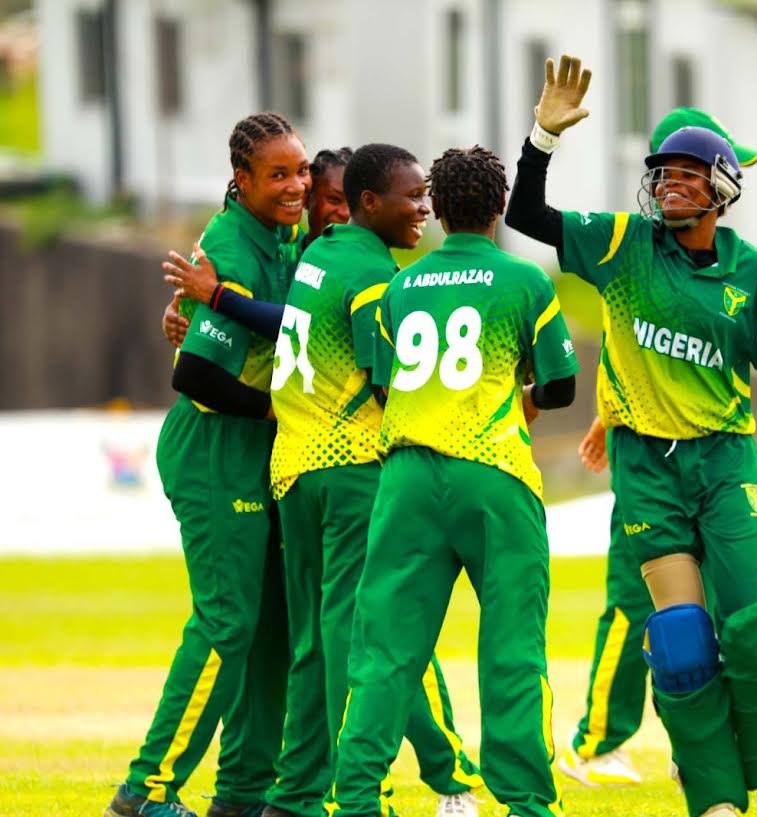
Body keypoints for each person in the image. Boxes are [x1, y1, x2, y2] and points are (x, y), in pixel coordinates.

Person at [505, 56, 757, 817]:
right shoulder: (623, 245)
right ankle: (712, 794)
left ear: (723, 187)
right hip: (646, 468)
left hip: (724, 459)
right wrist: (543, 136)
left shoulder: (751, 271)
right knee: (678, 638)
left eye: (688, 173)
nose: (671, 184)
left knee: (754, 620)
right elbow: (525, 215)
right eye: (662, 172)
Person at [164, 145, 484, 817]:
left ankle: (296, 792)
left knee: (313, 636)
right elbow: (388, 379)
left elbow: (284, 325)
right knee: (367, 636)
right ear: (371, 204)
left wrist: (211, 300)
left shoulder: (312, 259)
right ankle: (379, 787)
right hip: (349, 471)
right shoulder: (368, 276)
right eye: (412, 196)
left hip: (293, 471)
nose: (422, 208)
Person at [326, 145, 579, 817]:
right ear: (499, 208)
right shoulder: (526, 281)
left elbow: (383, 383)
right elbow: (560, 387)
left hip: (405, 476)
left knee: (383, 648)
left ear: (434, 206)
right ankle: (525, 802)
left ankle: (354, 801)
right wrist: (515, 395)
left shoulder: (398, 286)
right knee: (512, 648)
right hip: (492, 474)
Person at [105, 111, 310, 817]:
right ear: (241, 180)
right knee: (227, 623)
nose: (295, 186)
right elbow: (194, 375)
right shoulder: (228, 244)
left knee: (270, 629)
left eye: (301, 171)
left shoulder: (282, 236)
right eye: (278, 174)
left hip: (256, 453)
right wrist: (278, 410)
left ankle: (242, 793)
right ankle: (145, 788)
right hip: (217, 448)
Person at [161, 147, 354, 348]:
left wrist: (216, 295)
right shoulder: (280, 251)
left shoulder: (364, 271)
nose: (347, 213)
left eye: (354, 204)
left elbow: (301, 323)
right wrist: (183, 312)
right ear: (307, 199)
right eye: (334, 199)